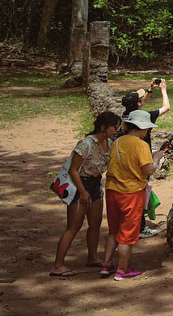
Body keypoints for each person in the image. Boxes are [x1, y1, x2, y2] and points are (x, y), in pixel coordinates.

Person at [50, 111, 122, 277]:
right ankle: (58, 265)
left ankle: (92, 256)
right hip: (80, 185)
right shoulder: (86, 144)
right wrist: (82, 191)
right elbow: (73, 170)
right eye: (114, 127)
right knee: (73, 227)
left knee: (95, 224)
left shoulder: (109, 143)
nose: (117, 130)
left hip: (95, 184)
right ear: (104, 128)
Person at [101, 110, 166, 280]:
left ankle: (106, 264)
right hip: (131, 192)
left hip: (112, 189)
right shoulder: (140, 145)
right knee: (128, 234)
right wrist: (157, 158)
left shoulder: (116, 142)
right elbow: (148, 170)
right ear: (143, 129)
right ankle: (122, 270)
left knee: (113, 230)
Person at [120, 78, 170, 238]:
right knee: (140, 194)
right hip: (142, 159)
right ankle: (139, 228)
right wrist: (163, 89)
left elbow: (137, 108)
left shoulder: (125, 117)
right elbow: (167, 107)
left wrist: (149, 91)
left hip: (126, 162)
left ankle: (130, 224)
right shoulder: (146, 117)